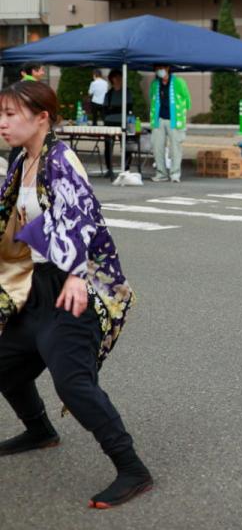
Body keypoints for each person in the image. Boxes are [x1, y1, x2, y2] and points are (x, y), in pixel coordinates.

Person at [0, 81, 152, 509]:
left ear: (42, 117)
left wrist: (76, 276)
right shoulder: (22, 158)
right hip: (33, 287)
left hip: (73, 288)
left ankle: (132, 469)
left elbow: (82, 215)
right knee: (5, 363)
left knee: (73, 383)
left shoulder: (59, 158)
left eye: (11, 114)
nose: (3, 122)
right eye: (1, 114)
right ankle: (40, 431)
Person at [148, 64, 190, 183]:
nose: (160, 71)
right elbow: (152, 97)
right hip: (158, 119)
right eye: (157, 69)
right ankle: (161, 174)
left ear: (167, 68)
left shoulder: (179, 82)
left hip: (175, 119)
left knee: (176, 147)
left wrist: (183, 111)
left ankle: (175, 174)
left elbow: (187, 99)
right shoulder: (155, 84)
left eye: (162, 68)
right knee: (157, 147)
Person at [100, 70, 125, 179]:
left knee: (124, 146)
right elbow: (105, 109)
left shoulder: (126, 92)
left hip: (122, 122)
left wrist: (113, 109)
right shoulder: (109, 94)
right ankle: (109, 169)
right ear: (111, 80)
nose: (118, 80)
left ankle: (126, 168)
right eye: (115, 78)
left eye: (119, 77)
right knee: (108, 146)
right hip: (109, 122)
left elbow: (128, 107)